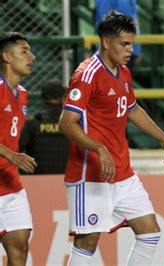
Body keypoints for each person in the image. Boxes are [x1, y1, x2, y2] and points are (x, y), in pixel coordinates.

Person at [58, 11, 164, 265]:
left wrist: (163, 137)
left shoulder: (123, 72)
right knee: (87, 242)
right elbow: (66, 124)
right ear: (105, 42)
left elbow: (132, 108)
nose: (131, 50)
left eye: (133, 44)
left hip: (122, 172)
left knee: (150, 233)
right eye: (125, 44)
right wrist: (99, 148)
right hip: (90, 174)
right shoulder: (87, 74)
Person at [0, 32, 37, 265]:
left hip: (10, 183)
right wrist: (10, 154)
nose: (31, 56)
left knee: (20, 246)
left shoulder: (22, 95)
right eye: (24, 51)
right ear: (6, 57)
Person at [20, 80, 68, 174]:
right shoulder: (72, 123)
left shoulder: (32, 123)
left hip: (37, 179)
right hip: (69, 178)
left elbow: (17, 149)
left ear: (42, 98)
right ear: (63, 99)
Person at [95, 0, 141, 72]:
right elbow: (105, 24)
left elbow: (135, 22)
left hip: (128, 49)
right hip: (112, 50)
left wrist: (137, 50)